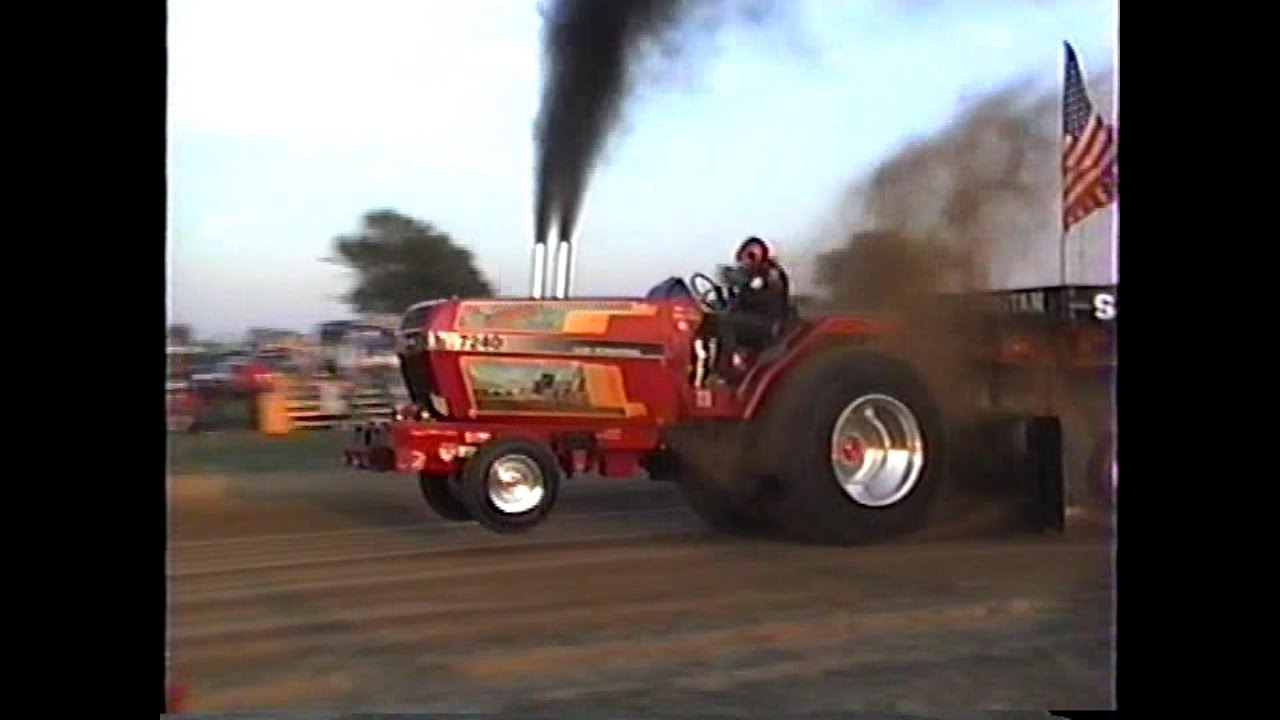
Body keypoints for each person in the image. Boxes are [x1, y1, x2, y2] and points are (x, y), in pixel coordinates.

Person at [701, 236, 792, 383]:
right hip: (758, 321)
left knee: (726, 320)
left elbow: (764, 302)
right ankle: (712, 367)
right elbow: (741, 303)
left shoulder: (771, 276)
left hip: (768, 325)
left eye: (751, 256)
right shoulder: (756, 277)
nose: (746, 261)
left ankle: (734, 363)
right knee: (713, 319)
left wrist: (745, 286)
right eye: (745, 256)